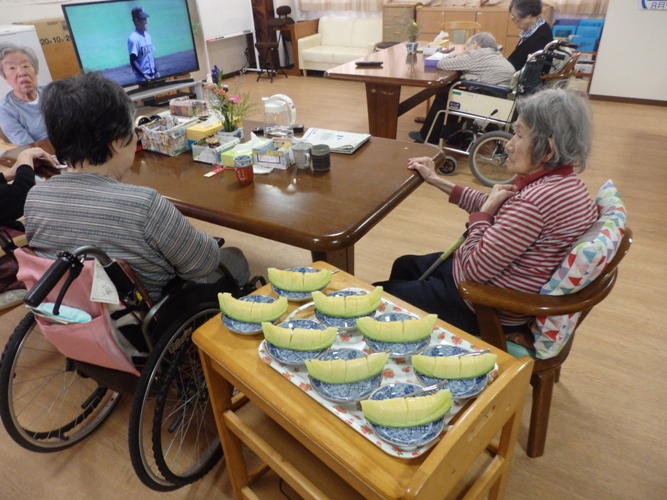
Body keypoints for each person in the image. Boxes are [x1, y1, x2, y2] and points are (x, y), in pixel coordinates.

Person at [377, 89, 598, 349]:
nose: (509, 144)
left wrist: (482, 217)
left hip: (482, 303)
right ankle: (405, 339)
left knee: (380, 294)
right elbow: (502, 210)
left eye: (519, 135)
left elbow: (475, 269)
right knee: (404, 266)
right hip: (493, 282)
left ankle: (403, 343)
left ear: (547, 150)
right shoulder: (563, 184)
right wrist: (436, 180)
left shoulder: (535, 202)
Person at [23, 72, 249, 300]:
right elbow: (201, 265)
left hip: (76, 308)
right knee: (235, 258)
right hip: (154, 309)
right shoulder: (143, 205)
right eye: (133, 130)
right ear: (117, 142)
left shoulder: (35, 197)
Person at [409, 33, 515, 144]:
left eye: (466, 48)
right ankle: (447, 134)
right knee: (454, 93)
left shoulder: (475, 55)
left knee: (445, 97)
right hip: (502, 102)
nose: (465, 52)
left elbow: (442, 64)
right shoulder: (497, 56)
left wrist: (453, 54)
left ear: (474, 45)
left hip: (486, 101)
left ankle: (427, 136)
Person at [0, 43, 48, 146]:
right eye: (12, 68)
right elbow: (28, 146)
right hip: (44, 153)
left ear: (35, 70)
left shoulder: (50, 91)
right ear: (5, 77)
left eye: (25, 66)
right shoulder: (5, 109)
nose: (21, 73)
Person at [507, 0, 553, 71]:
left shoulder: (541, 36)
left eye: (514, 16)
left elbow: (521, 65)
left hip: (526, 76)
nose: (512, 18)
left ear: (528, 15)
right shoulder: (534, 29)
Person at [127, 6, 159, 82]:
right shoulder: (133, 38)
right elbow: (133, 61)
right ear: (136, 21)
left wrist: (157, 72)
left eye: (146, 19)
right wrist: (144, 76)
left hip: (153, 76)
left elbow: (151, 58)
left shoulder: (148, 36)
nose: (147, 22)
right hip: (142, 79)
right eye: (144, 19)